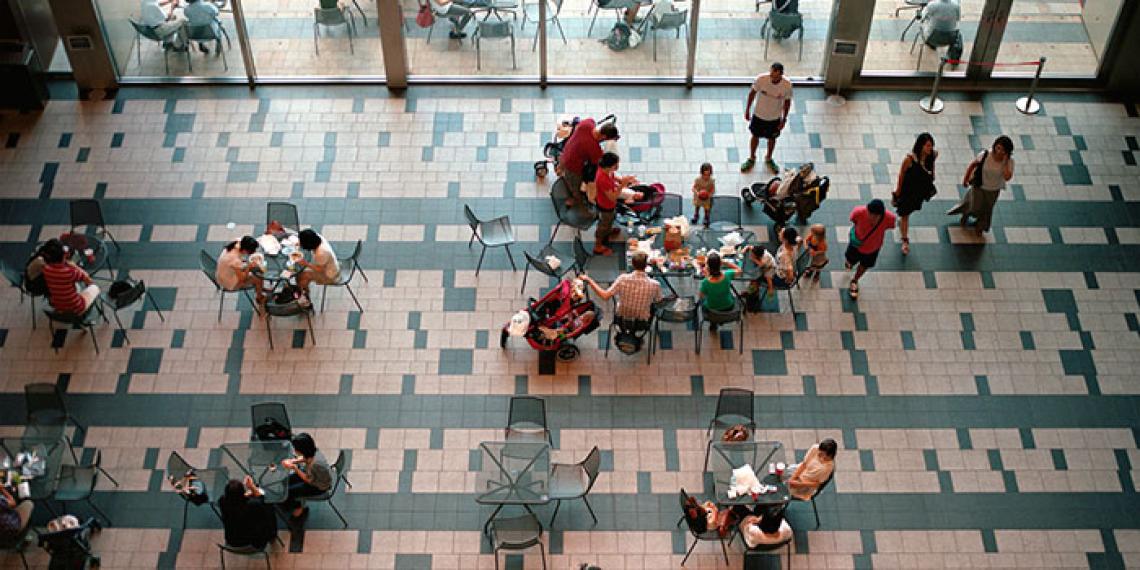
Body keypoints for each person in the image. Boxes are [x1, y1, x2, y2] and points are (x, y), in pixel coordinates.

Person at [948, 136, 1015, 236]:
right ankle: (966, 213)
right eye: (998, 148)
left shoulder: (1009, 162)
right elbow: (973, 165)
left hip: (994, 189)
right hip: (979, 185)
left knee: (987, 209)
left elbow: (1007, 177)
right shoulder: (985, 154)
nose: (999, 152)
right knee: (975, 206)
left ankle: (980, 226)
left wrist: (1005, 162)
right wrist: (966, 179)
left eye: (1003, 150)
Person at [580, 252, 662, 323]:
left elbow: (605, 296)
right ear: (646, 266)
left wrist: (589, 280)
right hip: (642, 321)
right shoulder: (655, 284)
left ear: (632, 264)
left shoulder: (623, 279)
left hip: (621, 317)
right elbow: (659, 301)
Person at [742, 62, 793, 174]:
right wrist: (747, 110)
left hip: (774, 117)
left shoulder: (787, 85)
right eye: (771, 75)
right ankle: (752, 158)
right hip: (759, 115)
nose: (772, 78)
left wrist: (784, 119)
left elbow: (787, 102)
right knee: (755, 136)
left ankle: (769, 158)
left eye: (775, 76)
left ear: (781, 74)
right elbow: (752, 94)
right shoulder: (761, 79)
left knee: (772, 138)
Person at [557, 118, 621, 207]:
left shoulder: (588, 123)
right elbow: (599, 166)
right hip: (572, 166)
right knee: (575, 185)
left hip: (565, 151)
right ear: (604, 137)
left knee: (563, 168)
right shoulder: (594, 149)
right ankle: (576, 199)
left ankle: (560, 169)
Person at [892, 133, 938, 255]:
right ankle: (905, 240)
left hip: (920, 192)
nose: (930, 148)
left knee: (907, 213)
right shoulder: (909, 160)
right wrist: (898, 192)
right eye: (928, 146)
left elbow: (932, 170)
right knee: (905, 215)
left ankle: (902, 223)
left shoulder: (932, 155)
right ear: (921, 145)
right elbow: (901, 175)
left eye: (931, 146)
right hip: (908, 192)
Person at [845, 198, 896, 300]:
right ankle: (849, 263)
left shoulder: (889, 218)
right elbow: (853, 220)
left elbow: (891, 225)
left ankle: (855, 280)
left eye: (876, 216)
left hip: (873, 248)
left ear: (881, 215)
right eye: (870, 214)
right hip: (856, 244)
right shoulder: (859, 212)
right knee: (850, 259)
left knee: (864, 265)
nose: (872, 217)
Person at [591, 152, 638, 255]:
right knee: (603, 225)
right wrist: (623, 185)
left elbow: (613, 176)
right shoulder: (602, 179)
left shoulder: (606, 170)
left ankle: (608, 230)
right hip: (605, 205)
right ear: (609, 166)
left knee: (609, 220)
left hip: (608, 204)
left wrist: (624, 180)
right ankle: (598, 245)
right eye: (616, 165)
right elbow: (613, 197)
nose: (617, 166)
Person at [281, 433, 333, 521]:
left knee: (289, 491)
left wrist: (294, 468)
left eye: (296, 449)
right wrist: (293, 461)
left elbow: (309, 480)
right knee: (285, 481)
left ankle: (298, 508)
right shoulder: (314, 452)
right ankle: (289, 503)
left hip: (318, 486)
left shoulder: (316, 464)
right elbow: (306, 458)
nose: (295, 451)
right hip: (311, 475)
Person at [40, 240, 99, 316]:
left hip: (57, 305)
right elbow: (88, 280)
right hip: (76, 307)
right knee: (94, 287)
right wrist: (74, 265)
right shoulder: (70, 272)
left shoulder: (45, 269)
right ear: (64, 255)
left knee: (72, 286)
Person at [218, 476, 277, 550]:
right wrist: (252, 487)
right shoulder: (252, 505)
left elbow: (235, 500)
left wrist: (245, 495)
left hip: (232, 541)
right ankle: (272, 535)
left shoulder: (222, 501)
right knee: (269, 507)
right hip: (253, 543)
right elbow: (261, 498)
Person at [217, 236, 266, 305]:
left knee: (255, 270)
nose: (254, 252)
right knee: (258, 278)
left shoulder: (238, 242)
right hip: (229, 281)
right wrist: (248, 267)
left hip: (223, 272)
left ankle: (260, 288)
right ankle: (259, 297)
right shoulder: (234, 259)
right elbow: (242, 279)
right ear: (245, 250)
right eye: (252, 251)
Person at [295, 229, 340, 294]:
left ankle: (304, 298)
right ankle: (303, 291)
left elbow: (320, 269)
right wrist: (300, 243)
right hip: (331, 265)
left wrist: (306, 264)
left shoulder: (321, 253)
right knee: (300, 274)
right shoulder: (317, 237)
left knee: (301, 278)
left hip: (330, 275)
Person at [699, 252, 740, 317]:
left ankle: (714, 321)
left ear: (708, 267)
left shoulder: (705, 282)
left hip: (712, 310)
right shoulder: (727, 275)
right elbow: (739, 270)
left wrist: (707, 275)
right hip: (728, 306)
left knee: (702, 302)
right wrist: (725, 262)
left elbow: (701, 297)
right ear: (720, 264)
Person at [691, 163, 715, 227]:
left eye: (708, 175)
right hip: (699, 197)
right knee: (697, 207)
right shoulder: (698, 180)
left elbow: (713, 189)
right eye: (705, 175)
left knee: (707, 208)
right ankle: (696, 216)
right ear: (701, 173)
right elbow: (693, 188)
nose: (706, 177)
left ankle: (706, 217)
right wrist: (697, 193)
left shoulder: (711, 181)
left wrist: (710, 194)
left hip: (707, 197)